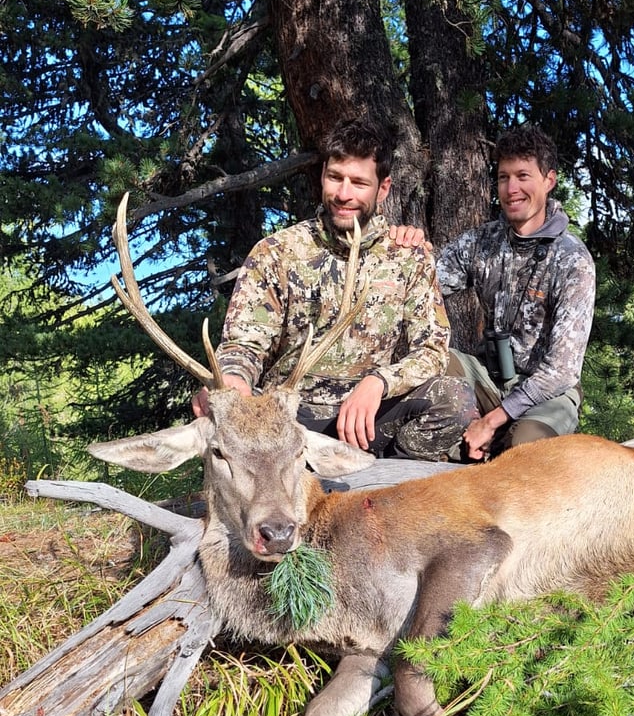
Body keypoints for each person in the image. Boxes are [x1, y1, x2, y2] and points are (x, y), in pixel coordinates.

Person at [192, 118, 476, 461]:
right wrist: (233, 379)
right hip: (290, 418)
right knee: (228, 408)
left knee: (454, 399)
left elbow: (431, 350)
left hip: (371, 417)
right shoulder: (278, 252)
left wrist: (379, 382)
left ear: (383, 189)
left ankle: (392, 482)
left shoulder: (408, 256)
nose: (344, 194)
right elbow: (243, 344)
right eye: (335, 177)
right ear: (322, 176)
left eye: (358, 182)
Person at [436, 125, 596, 461]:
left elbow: (561, 372)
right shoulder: (482, 241)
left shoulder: (573, 260)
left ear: (548, 180)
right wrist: (405, 248)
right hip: (489, 379)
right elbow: (425, 283)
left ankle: (492, 440)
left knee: (525, 455)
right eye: (503, 177)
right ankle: (458, 444)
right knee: (436, 362)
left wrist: (492, 421)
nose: (512, 189)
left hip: (546, 394)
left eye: (523, 176)